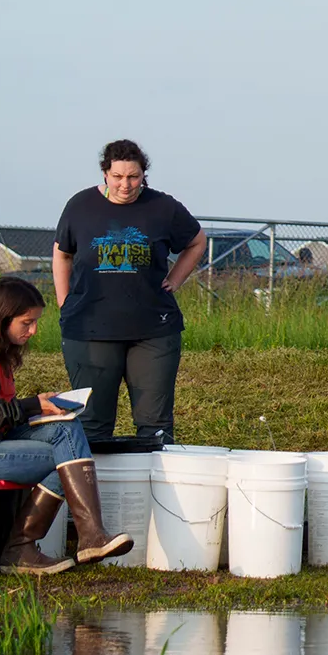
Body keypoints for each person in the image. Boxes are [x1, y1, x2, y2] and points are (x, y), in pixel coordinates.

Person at [0, 278, 134, 575]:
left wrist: (37, 405)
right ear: (5, 318)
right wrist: (30, 407)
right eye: (26, 323)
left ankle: (88, 535)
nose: (33, 331)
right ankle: (25, 547)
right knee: (65, 457)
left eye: (35, 322)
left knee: (66, 429)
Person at [53, 139, 205, 444]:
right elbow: (62, 254)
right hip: (89, 331)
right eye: (118, 176)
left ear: (143, 175)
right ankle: (99, 492)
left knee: (155, 427)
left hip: (153, 332)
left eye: (133, 177)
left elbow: (197, 241)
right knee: (93, 426)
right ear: (105, 174)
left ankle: (153, 491)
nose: (126, 184)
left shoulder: (163, 207)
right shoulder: (80, 206)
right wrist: (64, 302)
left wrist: (175, 280)